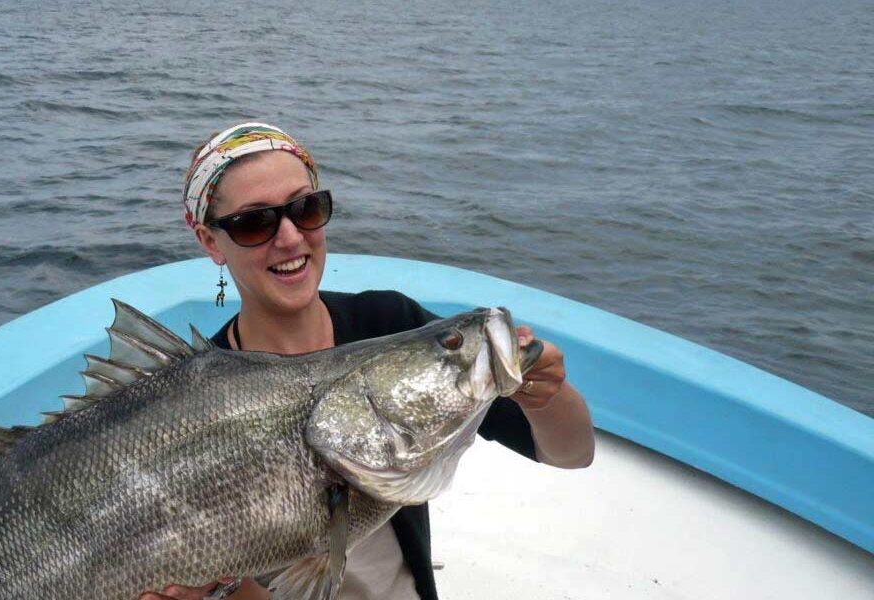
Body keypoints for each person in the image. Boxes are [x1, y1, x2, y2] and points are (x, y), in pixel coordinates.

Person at [139, 123, 595, 600]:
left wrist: (547, 398)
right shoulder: (190, 398)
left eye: (306, 209)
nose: (291, 238)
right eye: (255, 223)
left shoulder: (389, 322)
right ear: (210, 241)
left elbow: (572, 453)